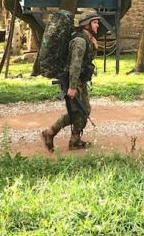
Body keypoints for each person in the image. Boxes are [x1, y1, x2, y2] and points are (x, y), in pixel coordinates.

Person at [41, 13, 100, 151]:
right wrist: (72, 87)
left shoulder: (88, 39)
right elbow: (75, 65)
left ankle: (75, 140)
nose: (98, 25)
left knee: (84, 110)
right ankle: (50, 133)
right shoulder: (80, 42)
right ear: (86, 25)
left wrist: (94, 47)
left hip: (79, 80)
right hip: (73, 80)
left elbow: (85, 61)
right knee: (79, 111)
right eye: (95, 22)